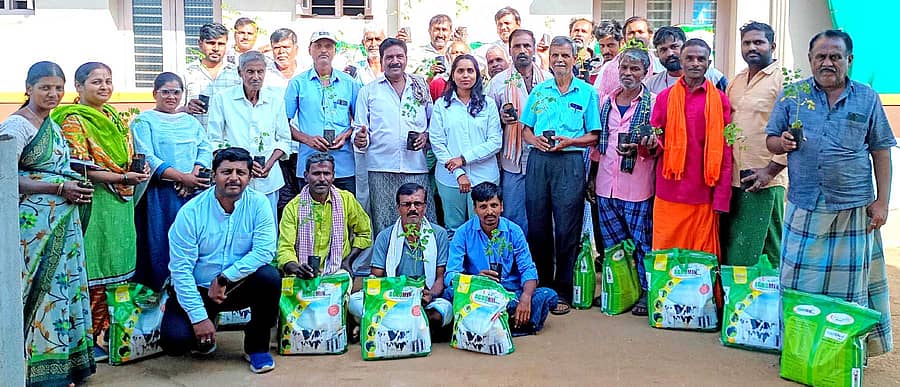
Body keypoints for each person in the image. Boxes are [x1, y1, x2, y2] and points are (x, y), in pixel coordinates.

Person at [766, 29, 895, 357]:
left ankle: (843, 355)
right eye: (821, 56)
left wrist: (882, 202)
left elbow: (881, 150)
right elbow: (771, 141)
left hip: (853, 208)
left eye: (835, 56)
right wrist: (782, 142)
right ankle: (798, 352)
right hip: (805, 205)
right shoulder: (793, 95)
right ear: (810, 60)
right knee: (796, 282)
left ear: (849, 60)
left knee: (848, 291)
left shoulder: (867, 97)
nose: (828, 62)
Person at [3, 61, 96, 387]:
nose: (53, 94)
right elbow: (6, 176)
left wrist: (72, 184)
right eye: (45, 87)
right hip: (35, 230)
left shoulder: (51, 124)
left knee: (65, 290)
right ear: (28, 88)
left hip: (63, 225)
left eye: (58, 88)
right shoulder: (16, 126)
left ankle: (66, 367)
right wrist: (57, 188)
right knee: (41, 292)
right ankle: (36, 372)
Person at [52, 61, 150, 361]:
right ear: (79, 87)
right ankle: (92, 338)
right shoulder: (73, 120)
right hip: (94, 202)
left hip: (121, 204)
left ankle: (117, 335)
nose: (104, 86)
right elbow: (80, 168)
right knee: (95, 265)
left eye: (108, 80)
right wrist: (123, 178)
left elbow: (126, 157)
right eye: (96, 82)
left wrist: (136, 171)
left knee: (120, 262)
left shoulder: (113, 116)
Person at [161, 147, 280, 374]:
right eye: (226, 172)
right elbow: (181, 270)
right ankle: (206, 324)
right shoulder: (191, 212)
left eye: (240, 172)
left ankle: (257, 347)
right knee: (175, 342)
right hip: (199, 289)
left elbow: (265, 251)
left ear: (250, 177)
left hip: (236, 286)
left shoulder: (259, 204)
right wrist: (199, 319)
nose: (234, 178)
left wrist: (225, 278)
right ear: (214, 175)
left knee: (270, 277)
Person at [521, 36, 601, 315]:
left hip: (569, 161)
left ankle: (564, 290)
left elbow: (594, 135)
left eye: (565, 55)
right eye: (555, 55)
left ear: (574, 59)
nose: (559, 60)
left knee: (568, 227)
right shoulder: (539, 91)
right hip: (539, 161)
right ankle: (543, 286)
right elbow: (525, 129)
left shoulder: (587, 92)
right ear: (549, 58)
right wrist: (534, 140)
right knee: (538, 225)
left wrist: (571, 141)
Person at [588, 48, 657, 315]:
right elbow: (597, 145)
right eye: (624, 68)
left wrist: (642, 147)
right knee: (612, 245)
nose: (628, 73)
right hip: (606, 185)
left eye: (634, 69)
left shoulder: (653, 103)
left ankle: (645, 292)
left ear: (645, 73)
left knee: (641, 244)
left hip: (637, 186)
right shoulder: (606, 102)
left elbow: (659, 145)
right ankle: (617, 288)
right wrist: (592, 178)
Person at [650, 39, 732, 260]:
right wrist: (648, 144)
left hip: (704, 193)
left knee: (700, 261)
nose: (695, 63)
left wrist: (722, 197)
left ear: (708, 63)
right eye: (690, 58)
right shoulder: (665, 98)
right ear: (681, 61)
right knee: (666, 258)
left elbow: (726, 151)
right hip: (669, 191)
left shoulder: (720, 100)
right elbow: (655, 141)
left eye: (701, 59)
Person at [132, 72, 213, 292]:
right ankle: (160, 292)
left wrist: (193, 175)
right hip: (160, 194)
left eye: (176, 92)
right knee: (160, 241)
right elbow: (147, 155)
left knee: (191, 239)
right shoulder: (143, 121)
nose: (171, 97)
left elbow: (205, 149)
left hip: (191, 193)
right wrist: (181, 177)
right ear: (154, 94)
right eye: (165, 92)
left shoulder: (190, 122)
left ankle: (191, 289)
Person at [444, 182, 559, 336]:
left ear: (502, 206)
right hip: (476, 294)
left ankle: (485, 326)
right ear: (475, 209)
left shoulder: (514, 231)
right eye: (483, 207)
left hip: (509, 294)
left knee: (548, 295)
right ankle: (509, 325)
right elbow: (451, 275)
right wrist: (475, 280)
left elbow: (528, 269)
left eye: (494, 205)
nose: (489, 212)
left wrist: (525, 298)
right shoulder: (462, 233)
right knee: (449, 293)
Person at [353, 37, 435, 240]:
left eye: (399, 56)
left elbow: (433, 123)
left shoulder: (419, 87)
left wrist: (425, 136)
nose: (395, 61)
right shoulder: (368, 91)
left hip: (415, 167)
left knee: (420, 221)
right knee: (384, 222)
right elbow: (359, 129)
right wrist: (360, 139)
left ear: (406, 58)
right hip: (381, 168)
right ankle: (387, 259)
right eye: (389, 57)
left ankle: (421, 258)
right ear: (381, 61)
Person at [719, 21, 785, 267]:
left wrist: (770, 171)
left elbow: (795, 131)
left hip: (765, 180)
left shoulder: (783, 80)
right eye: (746, 43)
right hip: (736, 178)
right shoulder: (736, 80)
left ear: (773, 46)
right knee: (736, 247)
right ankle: (737, 291)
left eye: (758, 42)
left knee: (767, 252)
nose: (752, 47)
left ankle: (771, 291)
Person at [348, 183, 452, 329]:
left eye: (417, 204)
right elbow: (376, 277)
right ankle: (412, 323)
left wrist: (430, 295)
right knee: (354, 301)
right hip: (391, 297)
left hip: (425, 298)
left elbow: (440, 276)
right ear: (398, 208)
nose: (413, 209)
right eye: (407, 204)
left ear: (425, 207)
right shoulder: (385, 236)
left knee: (445, 308)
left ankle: (390, 323)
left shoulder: (439, 234)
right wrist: (391, 295)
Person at [485, 28, 553, 236]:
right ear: (510, 50)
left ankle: (541, 255)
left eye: (526, 46)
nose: (522, 50)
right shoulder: (497, 83)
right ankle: (516, 254)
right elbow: (486, 122)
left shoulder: (548, 80)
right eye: (517, 46)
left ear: (534, 49)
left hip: (544, 157)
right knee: (514, 216)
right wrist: (501, 119)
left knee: (544, 215)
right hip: (513, 161)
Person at [208, 51, 291, 218]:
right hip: (233, 180)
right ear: (240, 72)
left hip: (267, 179)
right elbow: (214, 140)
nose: (256, 77)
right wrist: (241, 165)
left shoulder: (275, 100)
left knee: (266, 225)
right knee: (233, 225)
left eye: (260, 72)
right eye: (250, 71)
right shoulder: (222, 99)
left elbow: (284, 139)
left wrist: (269, 164)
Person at [429, 54, 502, 235]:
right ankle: (456, 256)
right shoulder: (441, 105)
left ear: (477, 74)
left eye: (470, 71)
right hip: (450, 179)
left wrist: (464, 159)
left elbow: (495, 141)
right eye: (460, 71)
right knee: (454, 229)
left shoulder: (488, 104)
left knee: (485, 229)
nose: (465, 75)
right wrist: (458, 172)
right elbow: (437, 142)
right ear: (453, 75)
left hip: (484, 177)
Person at [285, 31, 362, 195]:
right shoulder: (297, 83)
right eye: (318, 46)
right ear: (309, 50)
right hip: (310, 166)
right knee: (309, 209)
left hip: (343, 165)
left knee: (346, 209)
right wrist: (308, 139)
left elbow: (361, 121)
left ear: (335, 51)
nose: (323, 50)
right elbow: (283, 124)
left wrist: (346, 135)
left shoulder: (349, 83)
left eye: (328, 46)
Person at [277, 152, 372, 277]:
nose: (322, 179)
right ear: (306, 176)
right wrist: (296, 268)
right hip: (301, 274)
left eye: (326, 174)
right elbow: (285, 247)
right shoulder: (293, 207)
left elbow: (364, 233)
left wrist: (347, 261)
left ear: (333, 176)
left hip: (338, 271)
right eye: (316, 173)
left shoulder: (346, 200)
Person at [264, 28, 303, 220]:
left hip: (304, 148)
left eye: (286, 47)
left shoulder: (307, 72)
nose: (281, 52)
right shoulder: (265, 75)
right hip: (278, 150)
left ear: (296, 48)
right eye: (276, 47)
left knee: (305, 199)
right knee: (283, 202)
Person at [182, 23, 241, 129]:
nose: (216, 48)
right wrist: (187, 108)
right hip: (197, 136)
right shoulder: (187, 73)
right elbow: (174, 111)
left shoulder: (237, 74)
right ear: (200, 44)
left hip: (228, 137)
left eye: (221, 44)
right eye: (211, 43)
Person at [592, 16, 659, 102]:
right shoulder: (608, 67)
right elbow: (598, 98)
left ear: (650, 35)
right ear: (625, 38)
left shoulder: (659, 66)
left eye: (640, 32)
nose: (636, 36)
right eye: (631, 33)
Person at [645, 26, 728, 94]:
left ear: (685, 47)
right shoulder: (652, 84)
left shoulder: (713, 77)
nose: (670, 53)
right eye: (663, 50)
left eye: (674, 47)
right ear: (657, 54)